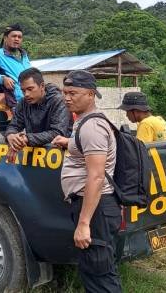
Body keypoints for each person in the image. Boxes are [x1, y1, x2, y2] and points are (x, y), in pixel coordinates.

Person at [52, 70, 122, 292]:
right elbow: (83, 150)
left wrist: (83, 224)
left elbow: (96, 176)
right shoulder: (83, 123)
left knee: (98, 272)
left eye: (73, 93)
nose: (67, 98)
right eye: (65, 93)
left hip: (95, 208)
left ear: (91, 94)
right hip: (94, 207)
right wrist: (67, 142)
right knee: (95, 268)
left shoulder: (91, 127)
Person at [3, 67, 70, 162]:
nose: (26, 94)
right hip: (36, 155)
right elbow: (14, 125)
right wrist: (11, 135)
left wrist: (27, 138)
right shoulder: (23, 102)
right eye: (23, 90)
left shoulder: (58, 101)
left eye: (30, 89)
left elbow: (57, 132)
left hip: (60, 156)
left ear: (42, 86)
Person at [0, 24, 31, 107]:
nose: (17, 39)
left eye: (19, 37)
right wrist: (2, 78)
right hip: (16, 101)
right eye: (14, 36)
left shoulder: (24, 55)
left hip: (30, 99)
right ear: (5, 38)